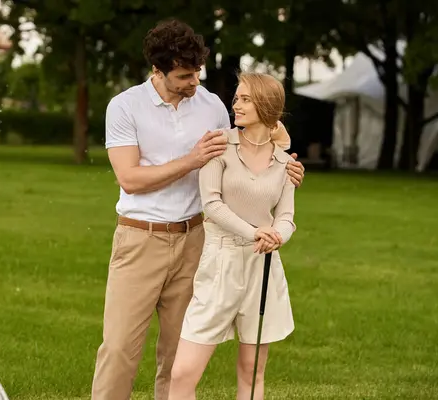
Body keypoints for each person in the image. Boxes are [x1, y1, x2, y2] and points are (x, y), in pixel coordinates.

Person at [91, 19, 305, 400]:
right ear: (158, 70)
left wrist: (287, 162)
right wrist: (191, 161)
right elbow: (130, 178)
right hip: (140, 238)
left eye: (197, 73)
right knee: (120, 349)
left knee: (177, 358)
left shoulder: (210, 106)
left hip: (197, 242)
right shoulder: (124, 106)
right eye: (184, 76)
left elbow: (264, 132)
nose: (194, 82)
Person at [167, 72, 298, 400]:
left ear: (266, 106)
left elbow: (286, 218)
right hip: (220, 263)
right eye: (236, 98)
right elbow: (211, 204)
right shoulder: (219, 146)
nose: (235, 105)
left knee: (251, 371)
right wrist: (255, 232)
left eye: (244, 99)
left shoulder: (284, 162)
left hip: (263, 267)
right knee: (183, 373)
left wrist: (276, 237)